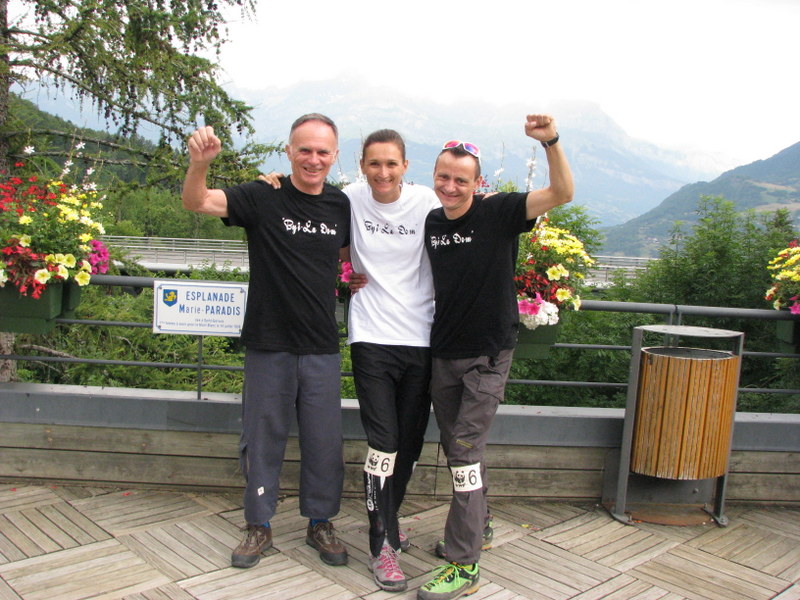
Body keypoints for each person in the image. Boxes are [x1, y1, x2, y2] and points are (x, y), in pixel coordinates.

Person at [261, 129, 440, 592]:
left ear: (405, 166)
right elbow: (321, 231)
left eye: (392, 163)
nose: (383, 172)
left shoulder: (426, 202)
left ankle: (390, 520)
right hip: (371, 338)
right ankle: (382, 547)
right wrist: (273, 183)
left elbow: (465, 223)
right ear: (361, 165)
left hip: (422, 339)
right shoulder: (349, 200)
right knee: (384, 443)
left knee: (410, 444)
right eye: (374, 163)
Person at [181, 114, 352, 569]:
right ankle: (258, 524)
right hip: (268, 340)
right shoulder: (262, 195)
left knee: (324, 442)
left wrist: (352, 276)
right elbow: (196, 201)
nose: (313, 159)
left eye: (322, 151)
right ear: (289, 151)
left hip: (321, 344)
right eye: (304, 150)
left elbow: (349, 255)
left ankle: (320, 522)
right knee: (261, 438)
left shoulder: (341, 205)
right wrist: (200, 163)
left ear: (335, 155)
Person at [417, 114, 574, 600]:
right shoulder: (432, 222)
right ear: (434, 176)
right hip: (443, 353)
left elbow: (562, 192)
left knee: (464, 453)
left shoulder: (500, 211)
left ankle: (464, 564)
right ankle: (479, 522)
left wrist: (550, 141)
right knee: (457, 449)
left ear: (477, 182)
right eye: (443, 177)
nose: (450, 186)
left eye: (461, 180)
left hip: (487, 355)